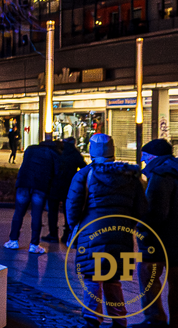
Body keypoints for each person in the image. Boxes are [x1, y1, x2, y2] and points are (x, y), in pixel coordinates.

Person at [66, 133, 147, 328]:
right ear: (113, 151)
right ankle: (120, 321)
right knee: (114, 278)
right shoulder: (131, 175)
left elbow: (73, 207)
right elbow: (141, 208)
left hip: (91, 234)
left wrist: (74, 227)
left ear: (92, 152)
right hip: (123, 235)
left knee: (93, 277)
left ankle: (93, 320)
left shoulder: (85, 174)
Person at [136, 138, 178, 328]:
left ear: (153, 156)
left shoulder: (161, 174)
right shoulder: (174, 169)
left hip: (160, 240)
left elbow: (156, 210)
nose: (143, 161)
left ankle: (155, 318)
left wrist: (140, 227)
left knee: (148, 275)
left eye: (144, 157)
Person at [4, 138, 58, 254]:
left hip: (24, 182)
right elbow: (56, 172)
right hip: (40, 185)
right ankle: (34, 245)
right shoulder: (53, 153)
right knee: (36, 215)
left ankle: (13, 240)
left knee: (19, 212)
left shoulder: (30, 149)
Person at [44, 137, 86, 244]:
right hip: (68, 185)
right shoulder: (75, 154)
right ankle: (67, 234)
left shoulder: (57, 152)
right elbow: (84, 167)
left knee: (53, 211)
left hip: (55, 185)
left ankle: (53, 234)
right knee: (67, 210)